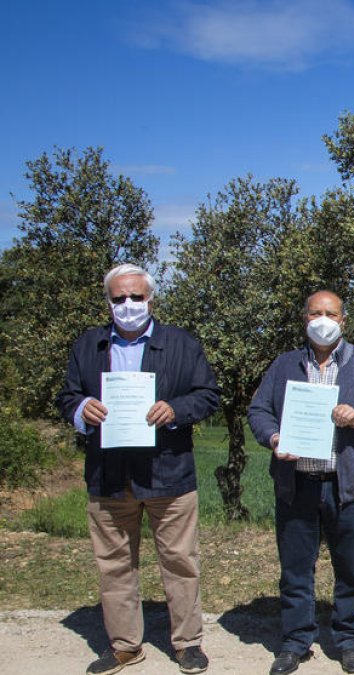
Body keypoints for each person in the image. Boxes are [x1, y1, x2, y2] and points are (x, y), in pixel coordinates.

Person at [55, 264, 220, 675]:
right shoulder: (88, 346)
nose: (127, 305)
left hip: (169, 473)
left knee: (180, 560)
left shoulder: (181, 344)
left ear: (151, 299)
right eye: (118, 298)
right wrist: (80, 409)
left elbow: (207, 395)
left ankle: (188, 644)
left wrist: (176, 409)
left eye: (136, 297)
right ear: (107, 301)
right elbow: (66, 396)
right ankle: (126, 645)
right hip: (109, 475)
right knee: (114, 564)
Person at [248, 291, 354, 675]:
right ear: (304, 319)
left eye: (330, 313)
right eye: (315, 313)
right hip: (296, 483)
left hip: (347, 484)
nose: (322, 319)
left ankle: (349, 640)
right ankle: (295, 640)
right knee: (296, 569)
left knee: (351, 568)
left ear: (343, 321)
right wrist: (273, 438)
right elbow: (258, 411)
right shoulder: (285, 365)